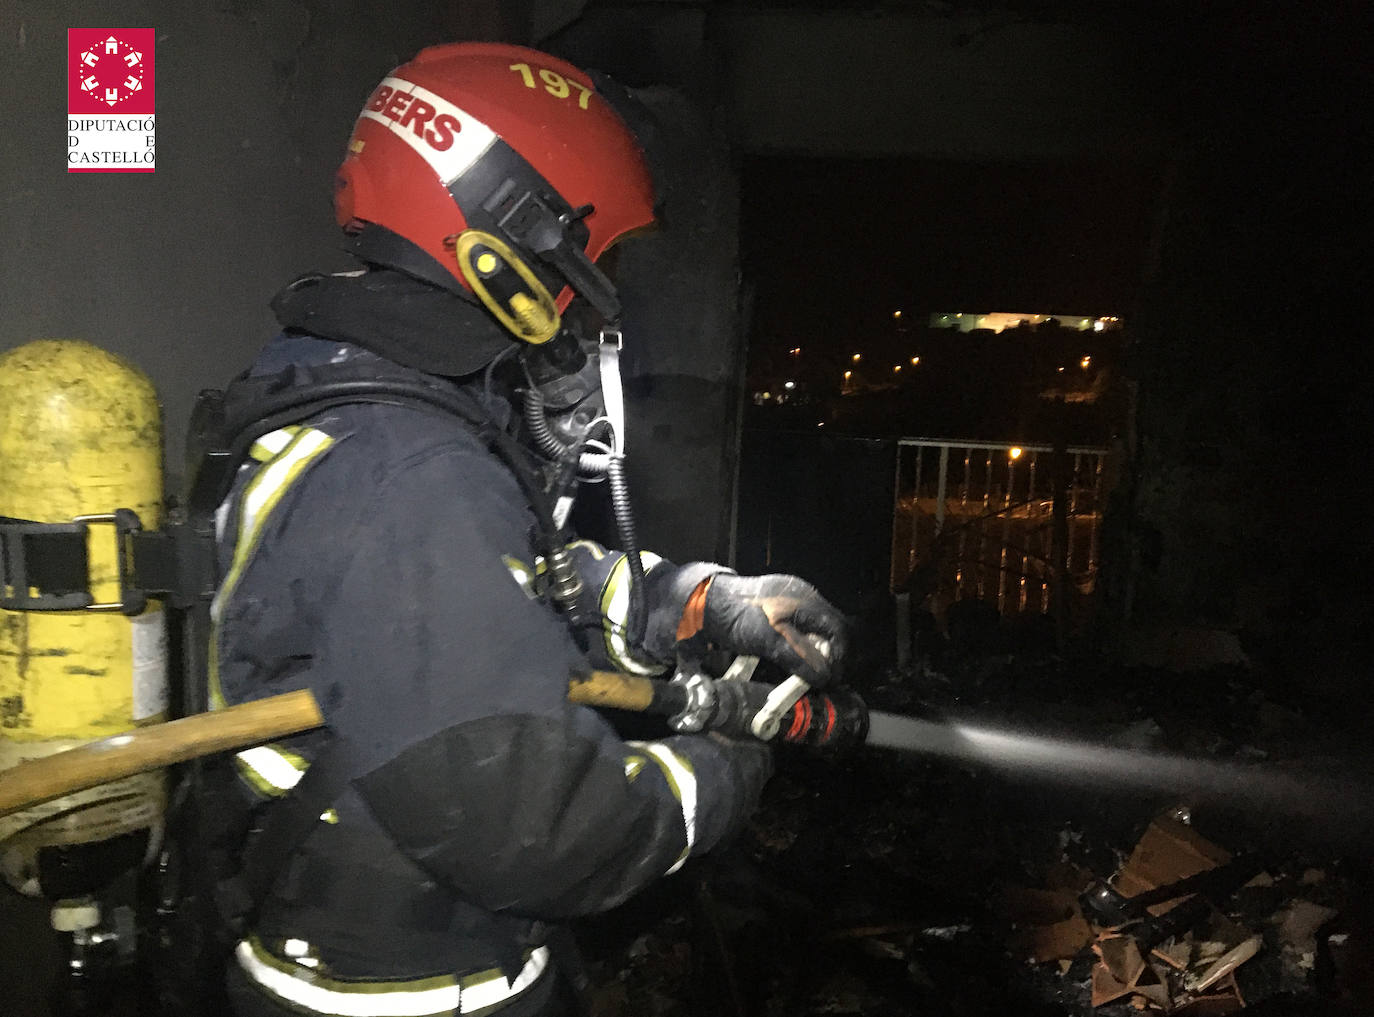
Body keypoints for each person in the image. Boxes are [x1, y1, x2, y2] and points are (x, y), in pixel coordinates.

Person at [195, 41, 848, 1017]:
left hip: (344, 939)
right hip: (406, 989)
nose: (592, 302)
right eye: (594, 260)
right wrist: (728, 766)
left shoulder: (347, 388)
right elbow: (540, 831)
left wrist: (697, 602)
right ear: (512, 244)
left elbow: (494, 594)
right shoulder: (415, 475)